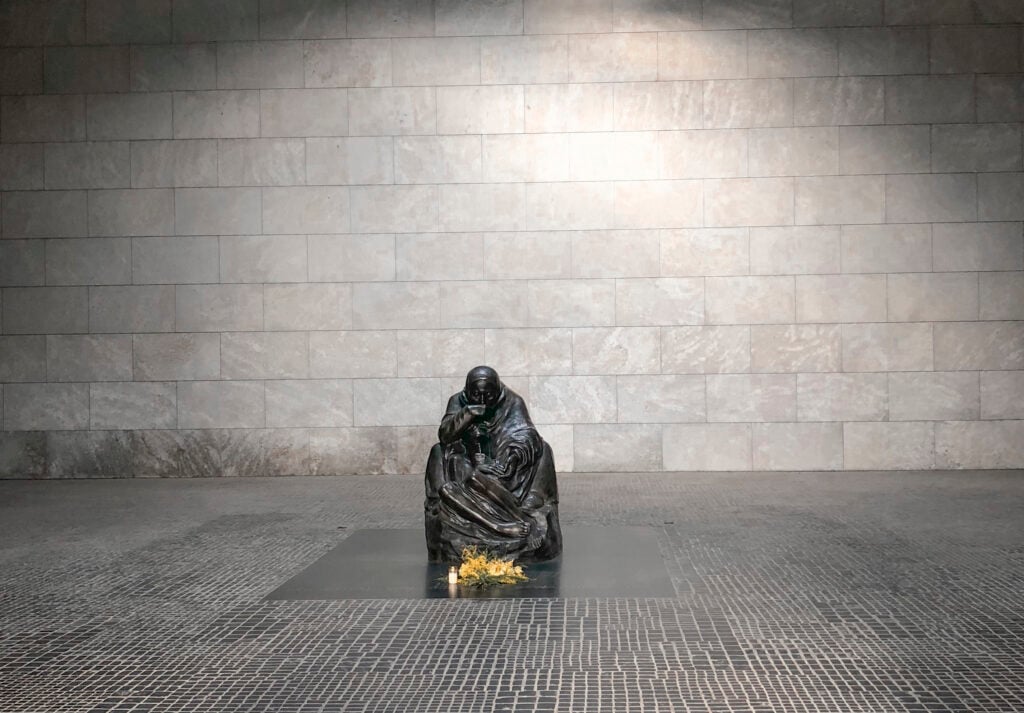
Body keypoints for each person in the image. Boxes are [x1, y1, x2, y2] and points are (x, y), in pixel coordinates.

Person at [425, 366, 562, 564]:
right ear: (467, 391)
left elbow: (525, 434)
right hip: (467, 461)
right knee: (440, 458)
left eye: (488, 396)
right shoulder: (458, 401)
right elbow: (445, 435)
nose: (481, 400)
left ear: (497, 391)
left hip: (502, 461)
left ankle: (528, 506)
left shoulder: (512, 401)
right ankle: (504, 526)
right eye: (475, 395)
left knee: (544, 449)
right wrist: (468, 413)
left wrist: (510, 460)